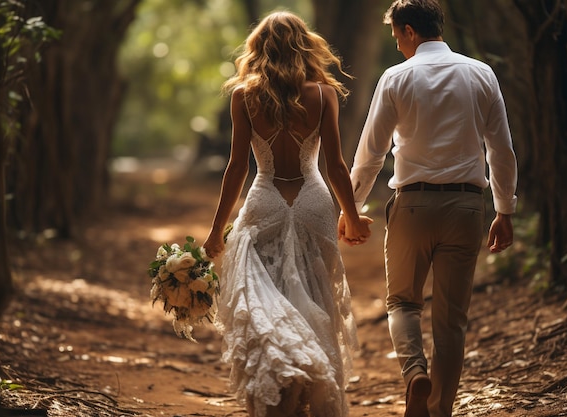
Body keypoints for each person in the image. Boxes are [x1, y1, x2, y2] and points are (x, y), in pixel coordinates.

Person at [339, 1, 518, 416]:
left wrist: (352, 209)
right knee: (452, 320)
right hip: (467, 207)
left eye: (397, 38)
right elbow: (501, 150)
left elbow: (371, 154)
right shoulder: (480, 73)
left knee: (403, 303)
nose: (398, 46)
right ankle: (439, 411)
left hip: (413, 206)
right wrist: (504, 210)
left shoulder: (396, 77)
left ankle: (415, 371)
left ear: (408, 31)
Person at [203, 11, 373, 417]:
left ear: (258, 48)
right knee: (315, 293)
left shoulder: (244, 95)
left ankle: (284, 383)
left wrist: (216, 231)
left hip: (264, 200)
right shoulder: (324, 93)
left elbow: (237, 168)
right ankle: (309, 376)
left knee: (265, 298)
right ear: (304, 44)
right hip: (314, 202)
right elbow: (335, 166)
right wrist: (351, 215)